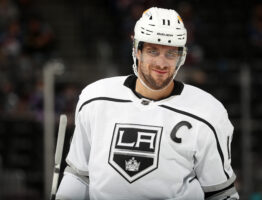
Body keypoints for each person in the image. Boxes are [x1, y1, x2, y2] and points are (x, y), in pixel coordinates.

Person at [56, 7, 239, 200]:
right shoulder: (95, 99)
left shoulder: (207, 113)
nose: (161, 63)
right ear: (137, 50)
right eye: (153, 51)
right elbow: (79, 174)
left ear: (181, 56)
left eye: (170, 53)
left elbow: (220, 192)